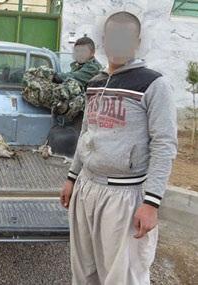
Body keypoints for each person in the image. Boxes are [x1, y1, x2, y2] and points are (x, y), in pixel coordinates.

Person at [60, 11, 177, 285]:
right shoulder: (95, 83)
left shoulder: (153, 84)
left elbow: (164, 144)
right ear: (104, 40)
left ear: (137, 42)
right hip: (87, 189)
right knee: (84, 272)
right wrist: (72, 177)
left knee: (124, 276)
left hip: (124, 195)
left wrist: (151, 202)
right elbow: (87, 132)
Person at [22, 37, 102, 121]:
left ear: (92, 53)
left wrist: (52, 75)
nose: (79, 54)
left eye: (83, 51)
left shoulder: (93, 68)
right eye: (77, 51)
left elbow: (73, 77)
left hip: (85, 114)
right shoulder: (79, 65)